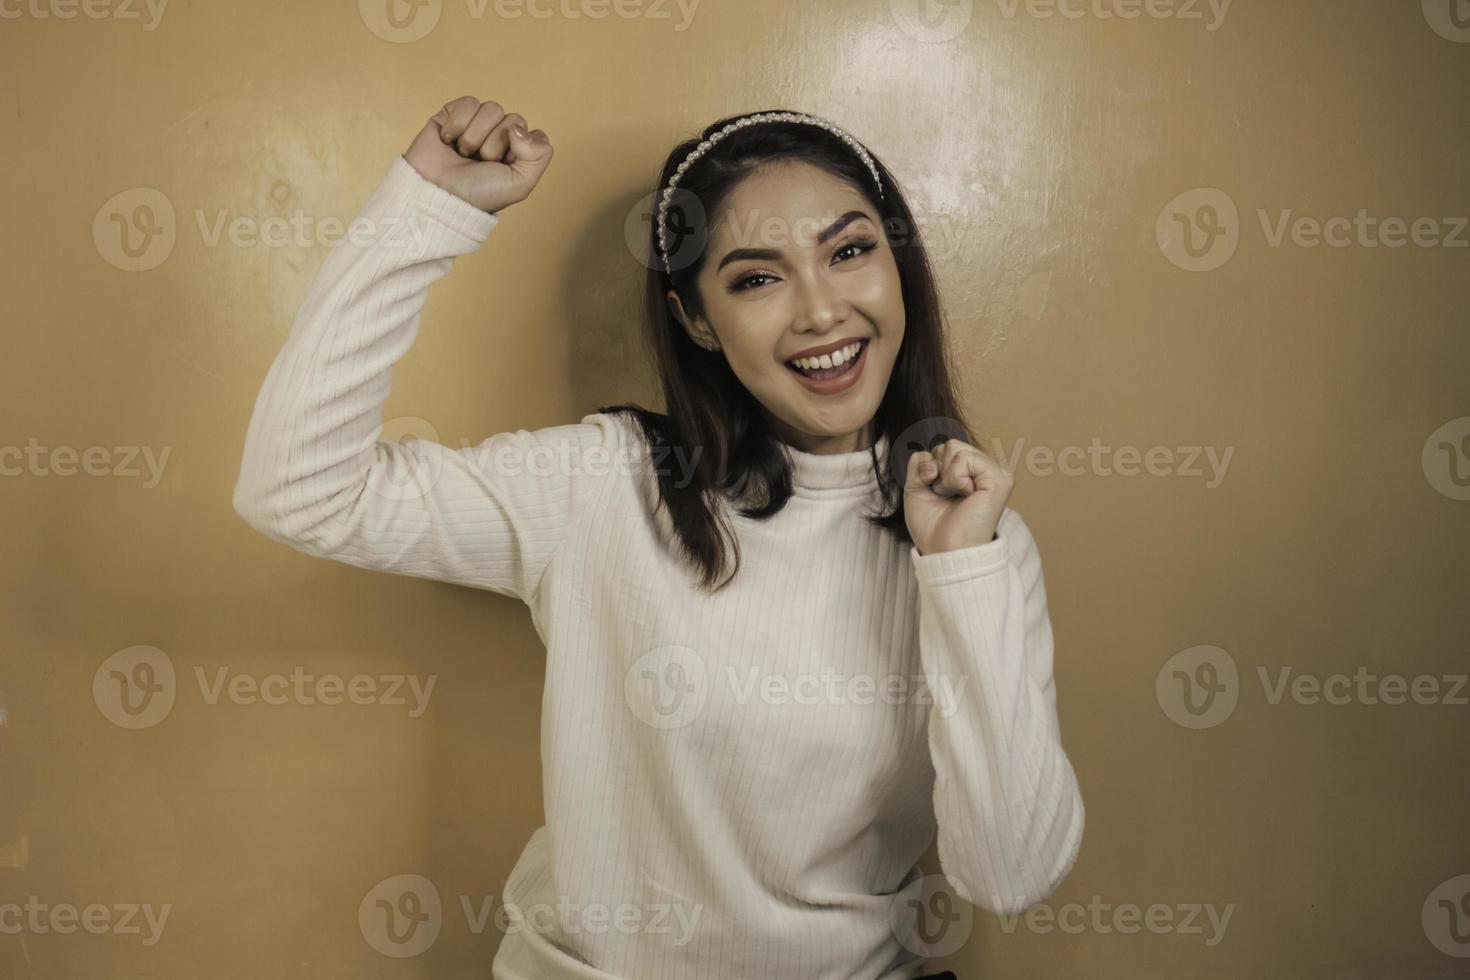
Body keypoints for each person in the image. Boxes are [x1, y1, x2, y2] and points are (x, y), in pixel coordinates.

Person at [232, 95, 1084, 980]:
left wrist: (961, 571)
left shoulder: (974, 541)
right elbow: (299, 488)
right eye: (758, 278)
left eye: (850, 251)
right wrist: (425, 210)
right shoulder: (607, 486)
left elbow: (1011, 875)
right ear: (699, 321)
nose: (822, 311)